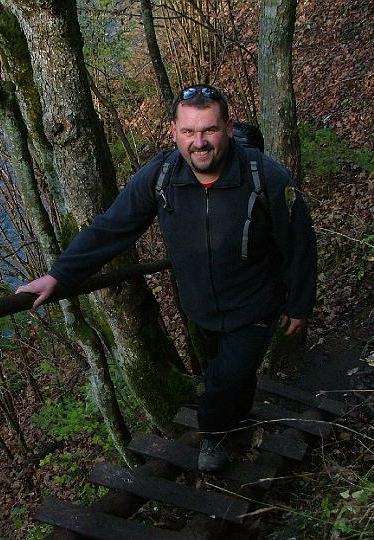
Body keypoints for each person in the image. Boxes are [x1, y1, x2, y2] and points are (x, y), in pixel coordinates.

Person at [16, 84, 317, 472]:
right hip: (200, 308)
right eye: (188, 131)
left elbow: (299, 242)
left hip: (255, 305)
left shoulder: (265, 178)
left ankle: (213, 437)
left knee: (224, 380)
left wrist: (299, 303)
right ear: (173, 132)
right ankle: (236, 418)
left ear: (228, 128)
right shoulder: (161, 177)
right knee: (229, 374)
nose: (199, 142)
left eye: (209, 130)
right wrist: (59, 275)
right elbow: (111, 227)